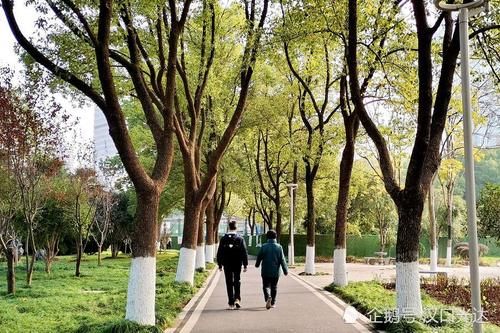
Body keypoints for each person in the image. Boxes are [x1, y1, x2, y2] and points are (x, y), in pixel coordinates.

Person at [216, 220, 248, 310]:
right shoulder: (240, 239)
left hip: (227, 264)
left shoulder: (223, 238)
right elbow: (244, 252)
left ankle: (231, 303)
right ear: (236, 228)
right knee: (237, 280)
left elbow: (220, 252)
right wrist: (245, 265)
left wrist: (220, 265)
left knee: (229, 282)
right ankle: (237, 299)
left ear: (229, 227)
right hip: (237, 263)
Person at [255, 229, 288, 310]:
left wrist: (257, 264)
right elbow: (282, 260)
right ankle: (273, 303)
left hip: (265, 271)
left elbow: (259, 257)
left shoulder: (264, 246)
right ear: (275, 237)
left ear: (267, 237)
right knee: (274, 287)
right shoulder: (279, 247)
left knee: (265, 286)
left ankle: (267, 297)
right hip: (275, 272)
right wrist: (285, 270)